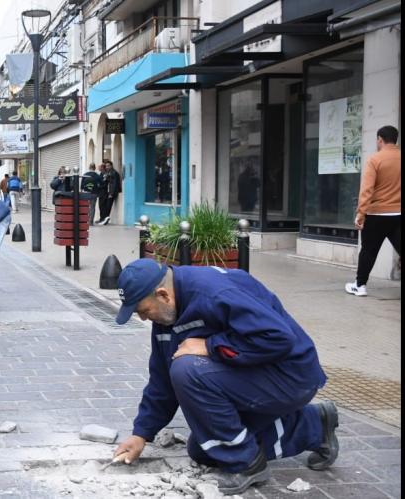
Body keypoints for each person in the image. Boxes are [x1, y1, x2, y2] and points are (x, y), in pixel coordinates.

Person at [112, 258, 339, 495]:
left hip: (290, 375)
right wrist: (141, 434)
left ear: (163, 295)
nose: (144, 319)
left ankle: (248, 463)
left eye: (144, 311)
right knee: (206, 449)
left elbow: (277, 337)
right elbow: (161, 379)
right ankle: (314, 425)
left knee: (187, 369)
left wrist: (210, 346)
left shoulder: (214, 292)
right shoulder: (166, 315)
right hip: (256, 374)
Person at [346, 125, 401, 297]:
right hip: (399, 214)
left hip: (377, 215)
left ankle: (360, 285)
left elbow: (367, 190)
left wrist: (360, 214)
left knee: (369, 250)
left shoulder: (375, 160)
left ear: (380, 139)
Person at [99, 160, 121, 225]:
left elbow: (114, 184)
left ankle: (105, 220)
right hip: (107, 192)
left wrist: (111, 193)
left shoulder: (114, 173)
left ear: (111, 166)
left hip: (111, 193)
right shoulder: (108, 173)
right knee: (105, 207)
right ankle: (104, 219)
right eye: (106, 166)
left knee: (108, 207)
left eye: (108, 166)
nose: (107, 167)